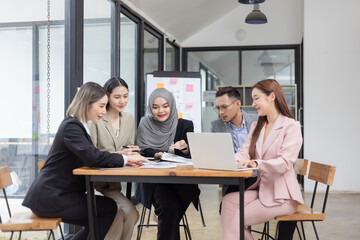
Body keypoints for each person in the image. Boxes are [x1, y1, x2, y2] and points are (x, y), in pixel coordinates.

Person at [22, 82, 147, 240]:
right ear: (87, 103)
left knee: (105, 213)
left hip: (59, 195)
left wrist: (123, 158)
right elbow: (93, 156)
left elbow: (92, 156)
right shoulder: (71, 126)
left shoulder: (78, 126)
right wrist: (125, 158)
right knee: (107, 210)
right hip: (51, 198)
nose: (103, 111)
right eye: (101, 106)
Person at [221, 79, 303, 240]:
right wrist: (227, 159)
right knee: (228, 201)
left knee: (235, 218)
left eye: (256, 98)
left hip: (282, 197)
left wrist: (256, 164)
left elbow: (285, 163)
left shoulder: (291, 126)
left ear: (272, 96)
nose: (253, 104)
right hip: (263, 190)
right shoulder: (258, 125)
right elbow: (244, 151)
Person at [135, 88, 200, 240]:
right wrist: (156, 154)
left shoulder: (185, 125)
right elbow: (141, 150)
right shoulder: (145, 123)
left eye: (165, 106)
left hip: (180, 179)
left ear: (172, 105)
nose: (160, 111)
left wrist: (185, 149)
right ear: (150, 107)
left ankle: (161, 215)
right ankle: (162, 213)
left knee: (172, 206)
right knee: (167, 206)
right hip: (154, 180)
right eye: (155, 107)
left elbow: (192, 156)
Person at [88, 77, 139, 240]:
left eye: (125, 96)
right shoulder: (96, 118)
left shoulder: (129, 119)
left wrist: (131, 152)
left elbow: (129, 146)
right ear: (107, 96)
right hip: (94, 186)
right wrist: (120, 155)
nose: (122, 100)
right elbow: (91, 153)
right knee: (116, 214)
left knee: (131, 213)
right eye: (117, 97)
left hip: (113, 186)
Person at [211, 86, 258, 195]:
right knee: (225, 209)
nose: (221, 112)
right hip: (234, 180)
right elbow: (217, 155)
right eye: (218, 108)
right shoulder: (216, 125)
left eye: (224, 107)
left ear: (237, 104)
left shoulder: (257, 121)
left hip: (259, 178)